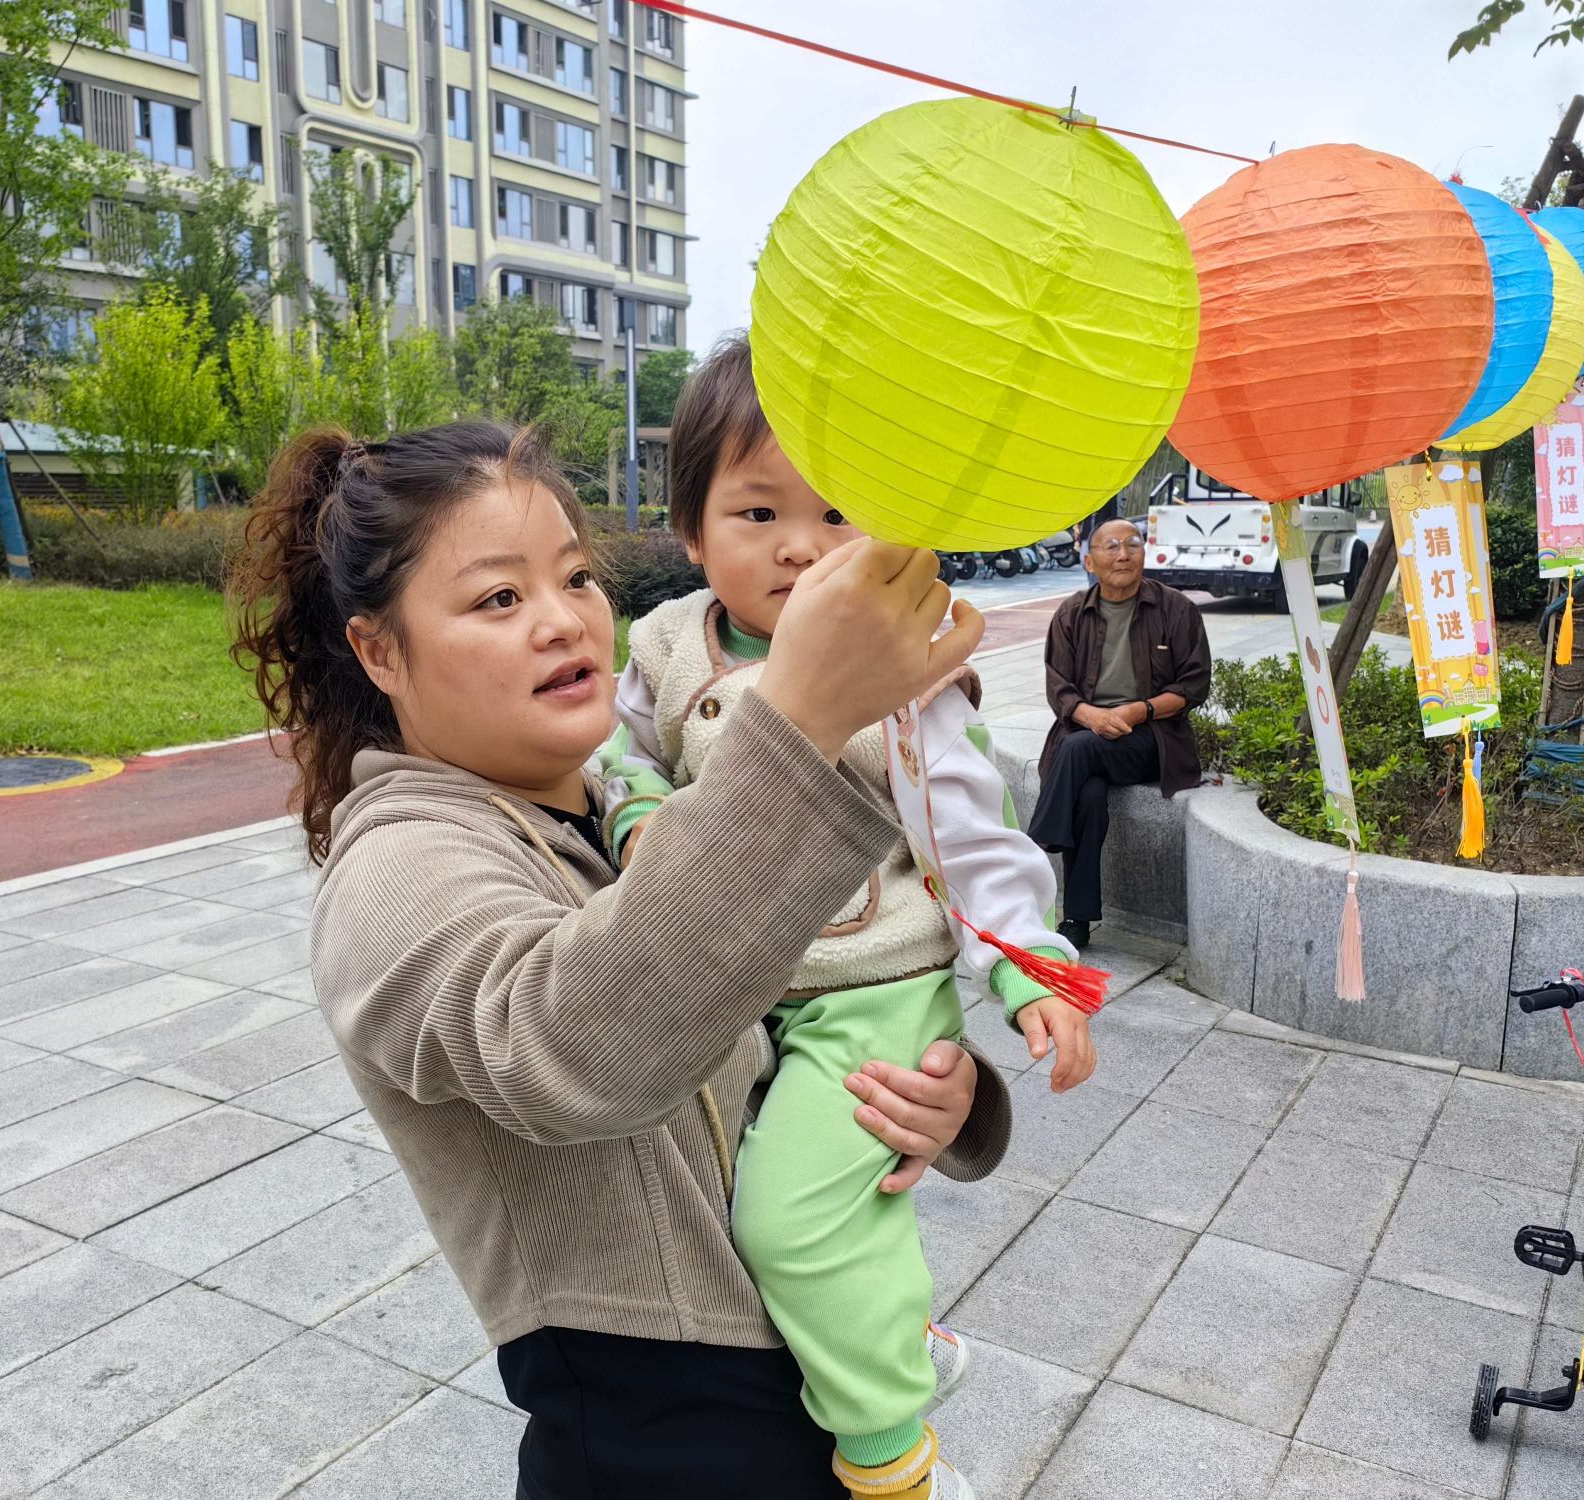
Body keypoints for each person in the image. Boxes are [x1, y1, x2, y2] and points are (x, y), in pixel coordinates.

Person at [229, 419, 1011, 1500]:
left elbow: (776, 1007)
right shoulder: (399, 865)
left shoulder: (630, 803)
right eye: (498, 599)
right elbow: (572, 1047)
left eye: (577, 577)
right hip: (659, 1438)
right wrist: (800, 717)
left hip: (817, 1389)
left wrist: (937, 1092)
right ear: (378, 650)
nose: (562, 621)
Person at [599, 336, 1097, 1500]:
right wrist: (634, 818)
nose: (802, 546)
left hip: (864, 993)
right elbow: (618, 759)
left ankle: (892, 1461)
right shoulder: (666, 647)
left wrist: (1035, 975)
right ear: (687, 533)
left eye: (837, 512)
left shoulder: (906, 667)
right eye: (756, 511)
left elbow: (974, 833)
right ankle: (896, 1336)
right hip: (724, 998)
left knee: (786, 1226)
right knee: (749, 1217)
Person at [1030, 517, 1211, 948]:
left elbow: (1193, 686)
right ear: (1090, 561)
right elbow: (1059, 687)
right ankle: (1076, 921)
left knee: (1075, 752)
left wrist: (1139, 710)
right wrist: (1092, 716)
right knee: (1088, 794)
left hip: (1151, 739)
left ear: (1144, 555)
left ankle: (1033, 847)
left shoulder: (1175, 610)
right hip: (1088, 735)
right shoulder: (1072, 613)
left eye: (1132, 544)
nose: (1123, 554)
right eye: (1110, 547)